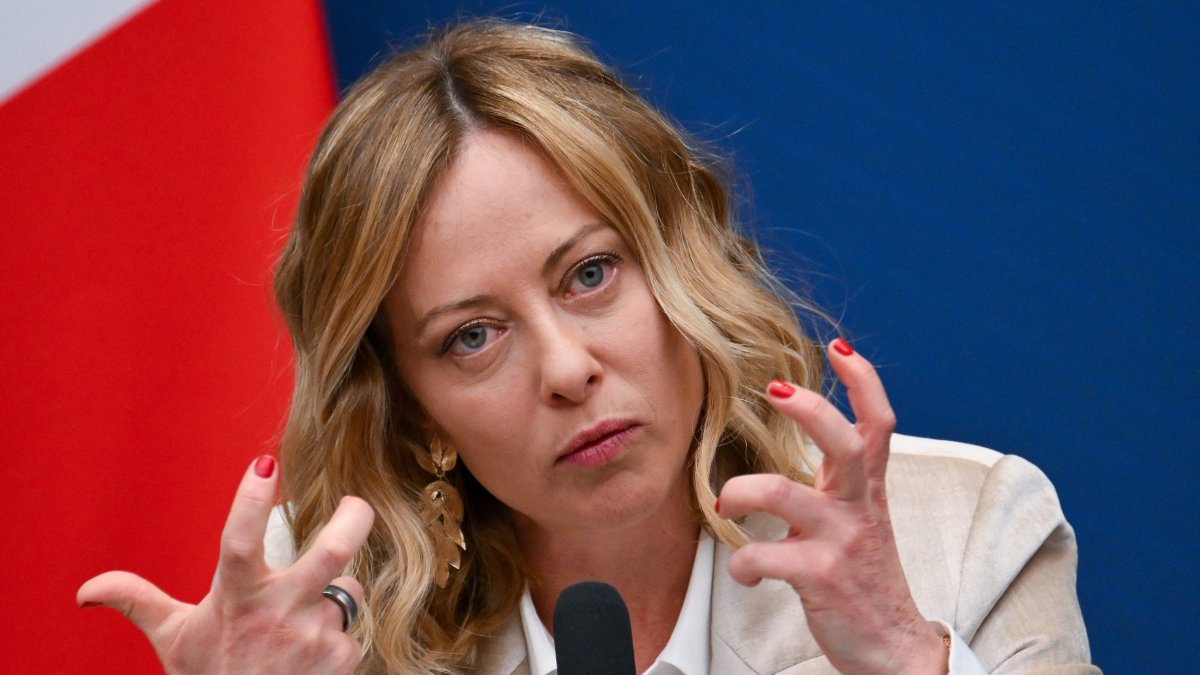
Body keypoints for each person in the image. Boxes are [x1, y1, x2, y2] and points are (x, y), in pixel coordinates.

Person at [77, 19, 1098, 674]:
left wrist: (910, 660)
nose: (568, 370)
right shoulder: (320, 616)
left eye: (591, 274)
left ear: (677, 266)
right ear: (413, 407)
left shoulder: (963, 536)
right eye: (473, 336)